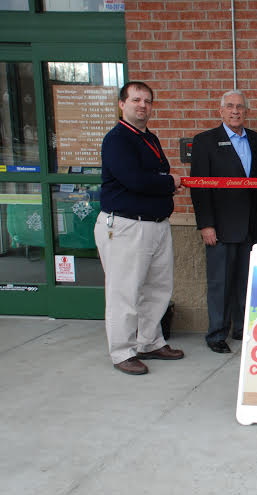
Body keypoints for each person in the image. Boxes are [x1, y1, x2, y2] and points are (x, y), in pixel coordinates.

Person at [94, 81, 185, 375]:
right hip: (126, 226)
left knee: (157, 288)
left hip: (155, 225)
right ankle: (122, 352)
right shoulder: (117, 139)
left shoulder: (149, 138)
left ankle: (150, 342)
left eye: (147, 101)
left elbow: (156, 176)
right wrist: (168, 183)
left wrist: (164, 184)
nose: (142, 105)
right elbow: (135, 180)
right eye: (135, 100)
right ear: (122, 104)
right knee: (125, 292)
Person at [190, 90, 257, 354]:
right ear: (220, 110)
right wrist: (206, 224)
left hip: (251, 227)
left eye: (240, 107)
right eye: (230, 106)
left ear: (247, 112)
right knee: (220, 284)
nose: (235, 111)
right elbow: (200, 187)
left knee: (247, 282)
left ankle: (243, 329)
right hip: (220, 227)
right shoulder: (205, 142)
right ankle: (216, 334)